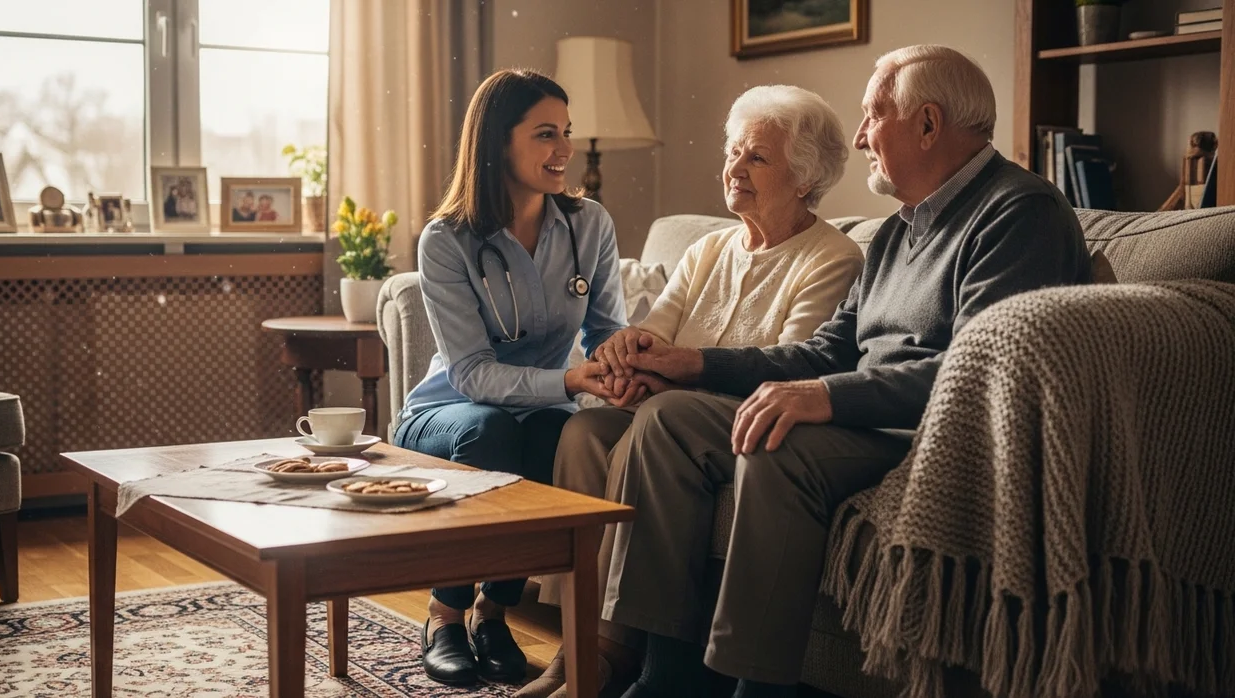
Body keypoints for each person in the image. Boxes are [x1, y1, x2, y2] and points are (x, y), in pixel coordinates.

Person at [595, 45, 1092, 698]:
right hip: (864, 421)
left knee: (778, 446)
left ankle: (757, 687)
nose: (859, 138)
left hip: (930, 438)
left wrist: (824, 397)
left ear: (928, 124)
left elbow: (982, 369)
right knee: (668, 422)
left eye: (873, 116)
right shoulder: (895, 234)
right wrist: (689, 364)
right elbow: (823, 354)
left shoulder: (1018, 213)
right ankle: (668, 677)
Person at [518, 84, 864, 698]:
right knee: (586, 431)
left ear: (806, 177)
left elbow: (793, 364)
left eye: (757, 157)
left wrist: (668, 370)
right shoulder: (709, 248)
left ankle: (612, 651)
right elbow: (655, 332)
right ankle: (576, 641)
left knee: (656, 423)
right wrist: (627, 355)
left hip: (746, 421)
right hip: (670, 409)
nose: (734, 167)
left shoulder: (831, 257)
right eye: (733, 151)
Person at [394, 68, 626, 687]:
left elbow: (605, 332)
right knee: (492, 431)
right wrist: (573, 383)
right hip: (448, 413)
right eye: (545, 134)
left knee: (559, 436)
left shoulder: (589, 225)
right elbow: (470, 374)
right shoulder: (447, 240)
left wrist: (621, 368)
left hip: (543, 408)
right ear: (499, 141)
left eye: (567, 133)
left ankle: (493, 613)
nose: (565, 150)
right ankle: (445, 615)